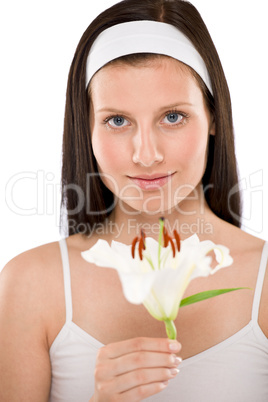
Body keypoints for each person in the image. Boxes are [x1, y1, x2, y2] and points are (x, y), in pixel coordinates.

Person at [0, 0, 267, 400]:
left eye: (172, 116)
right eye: (117, 121)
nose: (146, 155)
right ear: (86, 127)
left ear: (213, 116)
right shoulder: (31, 284)